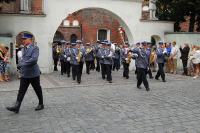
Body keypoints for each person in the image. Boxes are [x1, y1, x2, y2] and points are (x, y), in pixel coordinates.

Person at [6, 33, 44, 113]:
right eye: (22, 39)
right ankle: (17, 107)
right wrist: (20, 65)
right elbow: (23, 59)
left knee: (37, 89)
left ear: (30, 40)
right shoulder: (23, 49)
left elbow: (34, 60)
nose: (23, 41)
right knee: (21, 90)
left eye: (24, 39)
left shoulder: (35, 48)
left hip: (33, 74)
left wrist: (22, 64)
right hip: (25, 74)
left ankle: (41, 104)